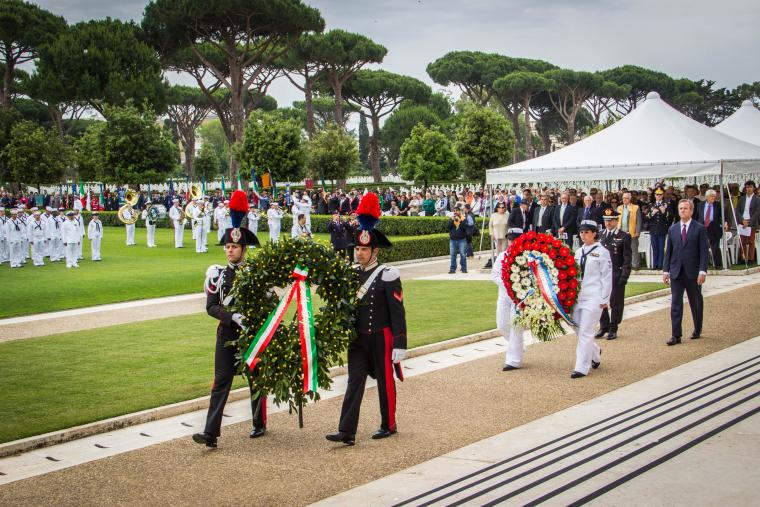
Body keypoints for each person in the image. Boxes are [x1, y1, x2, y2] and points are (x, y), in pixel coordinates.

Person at [326, 192, 406, 446]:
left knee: (384, 382)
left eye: (363, 249)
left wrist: (400, 344)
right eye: (357, 249)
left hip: (381, 336)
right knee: (354, 382)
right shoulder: (350, 274)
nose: (358, 253)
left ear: (374, 251)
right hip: (357, 338)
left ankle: (388, 423)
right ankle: (346, 430)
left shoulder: (388, 274)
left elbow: (397, 311)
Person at [192, 190, 265, 449]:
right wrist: (232, 315)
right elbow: (211, 307)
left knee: (257, 378)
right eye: (227, 246)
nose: (229, 250)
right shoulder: (217, 275)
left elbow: (267, 303)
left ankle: (259, 422)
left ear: (243, 249)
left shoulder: (256, 274)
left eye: (234, 246)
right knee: (221, 382)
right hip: (226, 335)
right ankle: (210, 433)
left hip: (250, 335)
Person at [663, 199, 709, 346]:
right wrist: (665, 271)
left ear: (691, 211)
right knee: (676, 303)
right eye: (681, 208)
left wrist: (702, 271)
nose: (683, 210)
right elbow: (668, 252)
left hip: (693, 272)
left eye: (685, 208)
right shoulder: (673, 229)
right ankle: (676, 335)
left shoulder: (699, 228)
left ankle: (697, 327)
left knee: (695, 302)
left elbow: (704, 252)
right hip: (676, 271)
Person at [570, 220, 612, 378]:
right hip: (579, 297)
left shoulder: (602, 252)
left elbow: (607, 277)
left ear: (594, 233)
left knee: (586, 332)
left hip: (594, 297)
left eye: (587, 232)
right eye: (581, 232)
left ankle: (581, 367)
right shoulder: (579, 251)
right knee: (578, 328)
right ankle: (595, 351)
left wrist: (605, 298)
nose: (583, 235)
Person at [491, 233, 525, 370]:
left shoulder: (525, 257)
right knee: (501, 326)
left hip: (519, 298)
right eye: (510, 239)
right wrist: (508, 284)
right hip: (504, 296)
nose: (511, 242)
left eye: (514, 239)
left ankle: (513, 360)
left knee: (516, 327)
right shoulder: (502, 256)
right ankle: (518, 346)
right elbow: (494, 275)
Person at [596, 209, 632, 340]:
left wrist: (624, 275)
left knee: (616, 302)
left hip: (616, 273)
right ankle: (603, 325)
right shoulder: (599, 235)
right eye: (606, 220)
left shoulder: (624, 236)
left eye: (610, 220)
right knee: (601, 300)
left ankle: (613, 327)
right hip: (601, 275)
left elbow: (627, 258)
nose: (608, 222)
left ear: (616, 221)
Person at [695, 189, 729, 267]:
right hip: (703, 227)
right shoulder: (700, 205)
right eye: (711, 197)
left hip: (714, 227)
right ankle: (704, 264)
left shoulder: (718, 205)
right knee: (703, 247)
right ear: (707, 197)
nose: (713, 198)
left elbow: (724, 215)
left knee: (715, 247)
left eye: (714, 196)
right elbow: (697, 216)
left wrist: (725, 223)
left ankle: (718, 264)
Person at [647, 188, 673, 270]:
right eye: (657, 194)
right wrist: (652, 213)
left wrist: (664, 212)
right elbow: (647, 217)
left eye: (660, 194)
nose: (658, 196)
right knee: (654, 248)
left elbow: (671, 216)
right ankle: (654, 265)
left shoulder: (666, 204)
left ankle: (660, 265)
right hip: (653, 229)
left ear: (663, 195)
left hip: (662, 229)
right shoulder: (651, 205)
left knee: (661, 248)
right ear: (654, 195)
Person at [617, 192, 642, 269]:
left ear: (630, 199)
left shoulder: (636, 207)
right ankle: (624, 265)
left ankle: (635, 265)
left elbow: (639, 220)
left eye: (626, 198)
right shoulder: (619, 208)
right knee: (622, 250)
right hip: (621, 232)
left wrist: (637, 231)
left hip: (632, 232)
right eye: (623, 198)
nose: (624, 199)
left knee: (634, 250)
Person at [735, 180, 758, 264]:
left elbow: (757, 212)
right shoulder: (741, 198)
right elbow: (737, 211)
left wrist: (748, 222)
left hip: (751, 222)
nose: (749, 189)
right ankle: (743, 258)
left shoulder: (757, 199)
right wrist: (742, 220)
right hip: (742, 222)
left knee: (751, 241)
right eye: (747, 187)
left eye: (750, 187)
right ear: (745, 188)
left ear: (754, 188)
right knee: (742, 241)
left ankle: (751, 258)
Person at [448, 208, 468, 274]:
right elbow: (448, 227)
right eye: (454, 211)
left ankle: (464, 268)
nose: (455, 212)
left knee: (463, 254)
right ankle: (452, 269)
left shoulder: (464, 219)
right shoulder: (451, 219)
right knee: (453, 255)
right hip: (453, 240)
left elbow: (465, 228)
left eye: (457, 211)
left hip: (462, 240)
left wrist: (461, 221)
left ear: (460, 211)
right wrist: (451, 220)